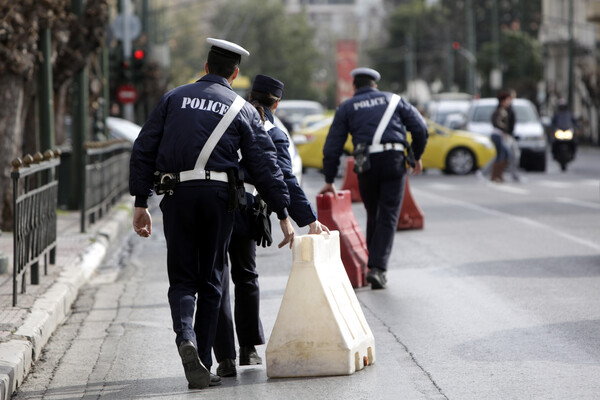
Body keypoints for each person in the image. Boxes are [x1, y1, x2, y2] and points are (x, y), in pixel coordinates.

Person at [129, 38, 295, 390]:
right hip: (220, 198)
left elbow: (144, 147)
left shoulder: (173, 98)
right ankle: (201, 361)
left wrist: (140, 202)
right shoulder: (243, 108)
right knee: (211, 281)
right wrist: (282, 211)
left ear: (205, 68)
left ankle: (185, 337)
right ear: (235, 74)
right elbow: (265, 166)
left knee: (182, 279)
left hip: (176, 193)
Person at [213, 74, 329, 377]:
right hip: (246, 208)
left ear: (251, 94)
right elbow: (284, 179)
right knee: (246, 276)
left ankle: (223, 357)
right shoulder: (272, 130)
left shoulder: (227, 113)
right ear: (276, 102)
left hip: (212, 203)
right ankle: (248, 349)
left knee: (217, 279)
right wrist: (308, 219)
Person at [319, 67, 429, 290]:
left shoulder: (347, 107)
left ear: (355, 87)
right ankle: (378, 268)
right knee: (388, 214)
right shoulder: (394, 100)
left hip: (365, 163)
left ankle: (373, 266)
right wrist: (415, 156)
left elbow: (333, 145)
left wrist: (329, 179)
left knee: (373, 213)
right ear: (375, 85)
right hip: (393, 160)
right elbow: (420, 129)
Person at [489, 91, 512, 182]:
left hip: (499, 134)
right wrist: (504, 129)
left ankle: (498, 175)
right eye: (507, 100)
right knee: (503, 154)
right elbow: (496, 122)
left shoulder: (504, 110)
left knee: (503, 154)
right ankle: (496, 175)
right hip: (497, 134)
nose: (509, 102)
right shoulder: (501, 111)